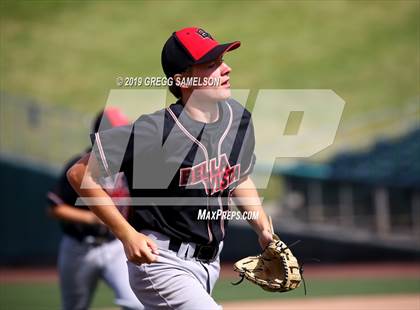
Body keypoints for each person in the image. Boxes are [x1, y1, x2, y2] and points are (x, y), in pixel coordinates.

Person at [67, 27, 273, 309]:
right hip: (160, 262)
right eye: (212, 65)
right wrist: (126, 234)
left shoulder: (238, 120)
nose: (226, 68)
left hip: (210, 265)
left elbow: (238, 178)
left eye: (222, 60)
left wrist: (262, 228)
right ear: (182, 80)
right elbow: (79, 173)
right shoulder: (155, 130)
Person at [47, 107, 143, 310]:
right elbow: (54, 208)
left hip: (114, 245)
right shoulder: (79, 166)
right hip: (79, 248)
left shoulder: (129, 165)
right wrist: (92, 218)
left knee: (136, 303)